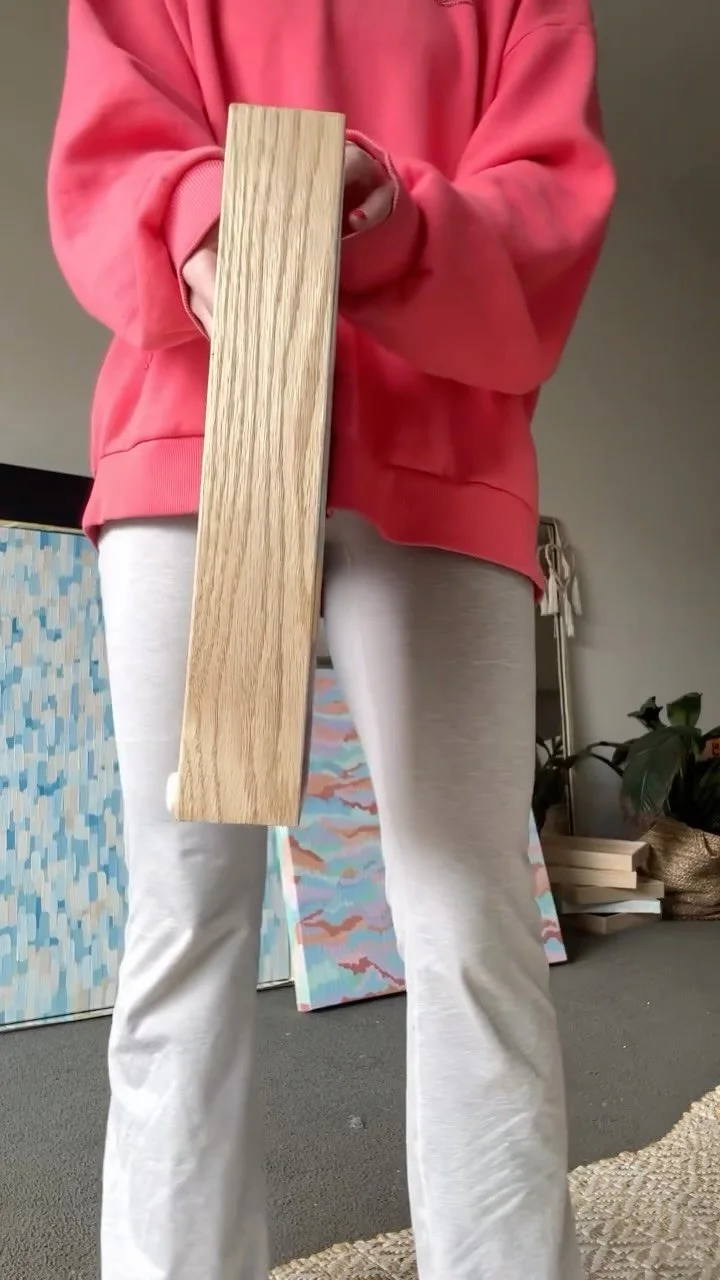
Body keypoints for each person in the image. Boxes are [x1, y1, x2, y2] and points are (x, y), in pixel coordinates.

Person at [48, 1, 614, 1277]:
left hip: (444, 442)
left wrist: (398, 221)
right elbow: (111, 144)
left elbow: (551, 197)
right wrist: (207, 219)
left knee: (471, 918)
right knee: (186, 910)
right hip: (202, 420)